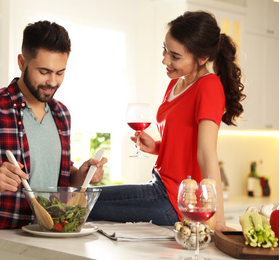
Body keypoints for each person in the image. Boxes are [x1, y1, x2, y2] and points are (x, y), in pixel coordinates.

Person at [0, 20, 107, 258]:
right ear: (22, 62)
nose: (52, 82)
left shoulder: (61, 114)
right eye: (44, 71)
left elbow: (54, 174)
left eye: (60, 72)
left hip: (53, 244)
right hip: (0, 246)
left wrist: (81, 174)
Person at [89, 11, 245, 232]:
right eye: (164, 50)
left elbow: (206, 153)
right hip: (159, 185)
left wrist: (217, 220)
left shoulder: (208, 86)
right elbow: (184, 144)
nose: (165, 60)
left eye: (175, 56)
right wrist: (156, 147)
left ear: (202, 58)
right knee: (80, 201)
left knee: (80, 202)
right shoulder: (175, 84)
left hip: (174, 201)